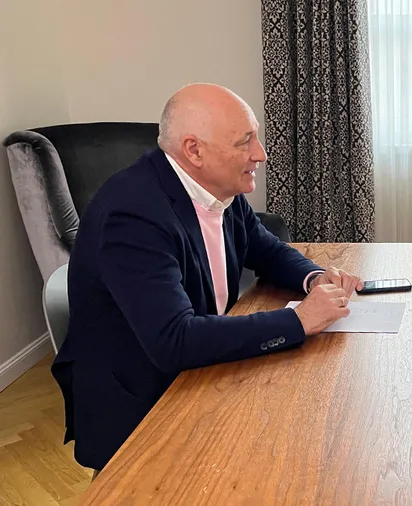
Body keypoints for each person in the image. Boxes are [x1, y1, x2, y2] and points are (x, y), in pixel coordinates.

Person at [52, 83, 363, 473]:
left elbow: (266, 249)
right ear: (194, 150)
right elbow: (174, 341)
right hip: (144, 408)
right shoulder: (133, 216)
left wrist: (313, 278)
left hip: (204, 371)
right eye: (244, 141)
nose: (260, 154)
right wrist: (298, 320)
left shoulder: (214, 187)